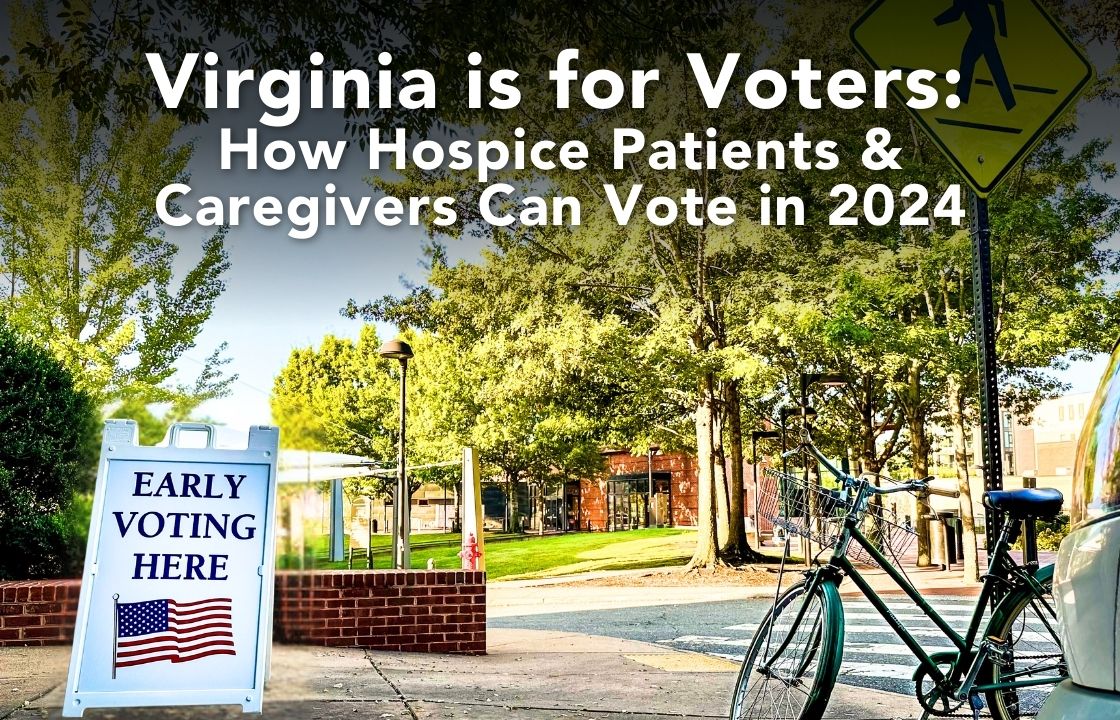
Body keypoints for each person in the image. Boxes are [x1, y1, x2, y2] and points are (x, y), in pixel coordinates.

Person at [935, 0, 1016, 111]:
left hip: (984, 30)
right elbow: (956, 14)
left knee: (992, 65)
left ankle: (1010, 103)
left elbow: (998, 3)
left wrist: (1003, 31)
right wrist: (936, 22)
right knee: (970, 61)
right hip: (979, 30)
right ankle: (962, 100)